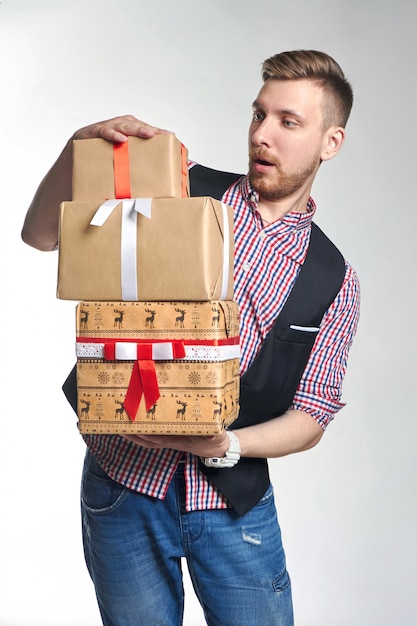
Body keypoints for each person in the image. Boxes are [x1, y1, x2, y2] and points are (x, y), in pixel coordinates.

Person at [22, 50, 360, 626]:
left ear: (331, 142)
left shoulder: (334, 277)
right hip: (122, 487)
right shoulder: (177, 189)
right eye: (259, 115)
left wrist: (226, 446)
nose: (262, 135)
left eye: (288, 121)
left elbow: (313, 416)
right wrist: (77, 150)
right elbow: (41, 235)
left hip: (232, 507)